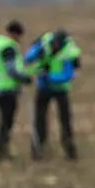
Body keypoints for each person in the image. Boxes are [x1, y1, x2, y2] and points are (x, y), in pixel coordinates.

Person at [24, 28, 82, 161]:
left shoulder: (70, 52)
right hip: (43, 88)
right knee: (39, 120)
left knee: (65, 121)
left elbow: (69, 75)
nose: (54, 46)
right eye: (53, 43)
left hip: (60, 89)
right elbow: (28, 58)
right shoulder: (43, 42)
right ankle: (37, 151)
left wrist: (48, 77)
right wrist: (35, 57)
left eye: (57, 44)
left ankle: (70, 151)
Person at [0, 20, 33, 160]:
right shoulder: (8, 48)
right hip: (7, 89)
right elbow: (11, 70)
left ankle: (2, 150)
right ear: (15, 34)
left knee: (4, 120)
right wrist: (24, 78)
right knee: (6, 122)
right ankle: (2, 152)